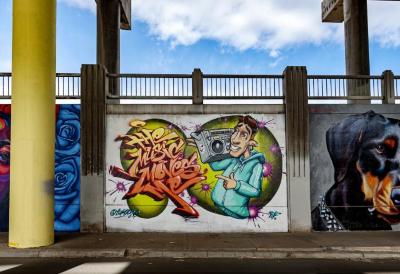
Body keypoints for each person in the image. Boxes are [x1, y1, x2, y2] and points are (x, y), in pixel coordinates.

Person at [210, 115, 265, 219]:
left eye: (244, 135)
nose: (234, 139)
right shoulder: (233, 159)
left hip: (237, 212)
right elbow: (215, 166)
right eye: (236, 131)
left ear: (251, 142)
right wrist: (207, 151)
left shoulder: (256, 165)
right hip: (217, 205)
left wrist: (236, 185)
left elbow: (256, 191)